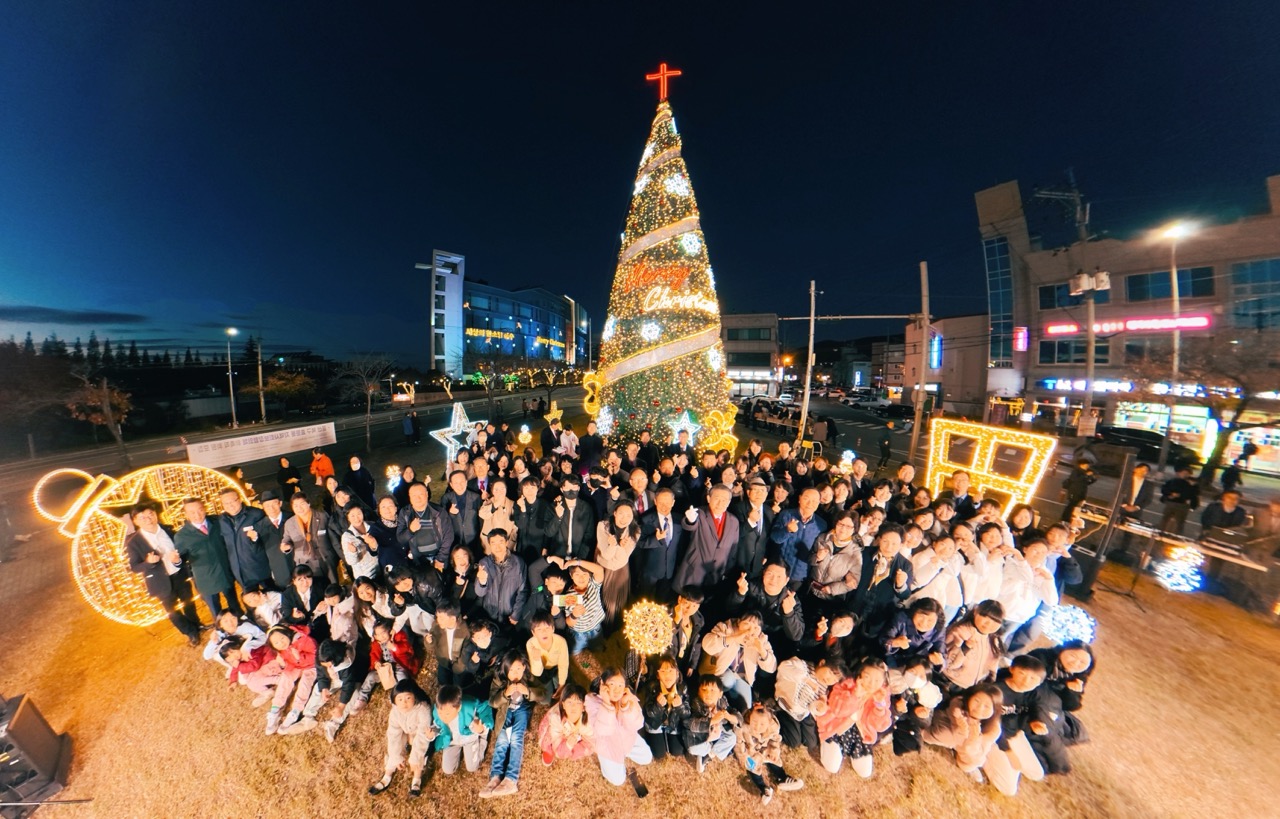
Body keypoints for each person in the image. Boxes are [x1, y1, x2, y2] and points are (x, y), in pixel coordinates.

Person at [126, 501, 203, 644]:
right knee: (172, 611)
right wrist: (148, 562)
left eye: (150, 514)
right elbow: (134, 567)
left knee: (189, 603)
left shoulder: (168, 530)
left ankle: (197, 625)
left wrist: (179, 559)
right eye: (142, 517)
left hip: (179, 574)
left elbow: (182, 550)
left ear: (156, 514)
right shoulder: (133, 542)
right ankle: (190, 632)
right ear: (135, 521)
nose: (148, 519)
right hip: (159, 581)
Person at [815, 659, 893, 778]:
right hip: (836, 727)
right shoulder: (846, 684)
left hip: (860, 732)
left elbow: (880, 725)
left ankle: (852, 751)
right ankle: (832, 746)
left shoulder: (881, 694)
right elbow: (837, 710)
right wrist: (855, 695)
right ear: (860, 673)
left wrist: (879, 706)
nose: (871, 684)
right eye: (867, 677)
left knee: (865, 772)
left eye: (877, 680)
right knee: (832, 766)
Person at [173, 497, 242, 620]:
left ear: (204, 509)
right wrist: (176, 561)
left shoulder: (218, 522)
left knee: (235, 606)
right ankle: (222, 630)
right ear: (186, 514)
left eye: (200, 510)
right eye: (192, 512)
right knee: (217, 613)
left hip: (225, 573)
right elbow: (181, 559)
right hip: (205, 579)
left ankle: (242, 624)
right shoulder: (182, 535)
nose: (197, 515)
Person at [481, 651, 537, 798]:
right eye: (511, 670)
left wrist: (528, 691)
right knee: (502, 741)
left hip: (521, 709)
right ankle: (495, 777)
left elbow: (543, 695)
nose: (515, 673)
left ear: (524, 667)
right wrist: (505, 694)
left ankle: (511, 780)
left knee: (516, 739)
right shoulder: (499, 679)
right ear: (505, 670)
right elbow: (492, 702)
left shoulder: (529, 677)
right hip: (505, 711)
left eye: (518, 668)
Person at [922, 683, 1004, 784]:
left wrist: (973, 739)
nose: (979, 708)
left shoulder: (992, 728)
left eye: (986, 706)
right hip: (948, 724)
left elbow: (976, 752)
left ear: (995, 710)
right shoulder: (958, 705)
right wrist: (960, 724)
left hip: (969, 745)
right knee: (944, 735)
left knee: (972, 760)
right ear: (970, 697)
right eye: (977, 701)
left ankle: (967, 765)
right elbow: (954, 710)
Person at [586, 667, 652, 787]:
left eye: (620, 685)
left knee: (647, 758)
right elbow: (602, 731)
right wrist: (607, 703)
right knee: (618, 780)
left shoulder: (627, 697)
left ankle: (625, 753)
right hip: (608, 747)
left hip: (628, 740)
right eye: (612, 684)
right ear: (602, 684)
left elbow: (638, 724)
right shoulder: (592, 701)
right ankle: (609, 762)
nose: (617, 690)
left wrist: (625, 705)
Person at [700, 611, 777, 710]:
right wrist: (733, 638)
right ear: (738, 622)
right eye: (747, 624)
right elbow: (707, 645)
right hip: (719, 673)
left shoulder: (761, 639)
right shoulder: (726, 628)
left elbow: (772, 667)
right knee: (728, 679)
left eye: (756, 628)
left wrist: (761, 650)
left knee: (746, 708)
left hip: (742, 678)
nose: (750, 630)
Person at [671, 484, 740, 591]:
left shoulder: (734, 521)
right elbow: (689, 525)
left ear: (729, 502)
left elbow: (733, 550)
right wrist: (690, 520)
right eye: (717, 499)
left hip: (716, 575)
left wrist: (726, 572)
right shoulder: (699, 513)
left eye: (724, 500)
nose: (720, 503)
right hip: (694, 571)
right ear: (708, 498)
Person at [735, 703, 804, 804]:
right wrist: (744, 758)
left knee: (774, 760)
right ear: (749, 717)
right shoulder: (743, 728)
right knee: (753, 767)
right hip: (752, 752)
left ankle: (783, 778)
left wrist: (774, 750)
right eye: (754, 721)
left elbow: (775, 739)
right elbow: (739, 745)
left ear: (769, 722)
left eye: (762, 724)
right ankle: (764, 789)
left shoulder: (773, 727)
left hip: (765, 749)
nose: (757, 726)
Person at [774, 656, 844, 750]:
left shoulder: (823, 687)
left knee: (811, 742)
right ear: (822, 663)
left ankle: (798, 728)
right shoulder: (802, 666)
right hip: (787, 706)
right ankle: (777, 715)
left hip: (803, 712)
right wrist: (806, 680)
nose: (829, 680)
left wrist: (820, 706)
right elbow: (783, 667)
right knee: (794, 741)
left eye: (834, 680)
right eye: (830, 673)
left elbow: (814, 707)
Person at [429, 684, 495, 777]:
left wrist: (481, 729)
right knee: (448, 769)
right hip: (452, 741)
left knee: (472, 767)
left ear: (458, 708)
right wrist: (433, 733)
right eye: (440, 713)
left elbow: (485, 708)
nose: (443, 717)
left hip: (469, 738)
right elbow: (438, 725)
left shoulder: (469, 707)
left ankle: (482, 738)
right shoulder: (438, 710)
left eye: (447, 714)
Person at [942, 600, 1006, 692]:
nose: (989, 624)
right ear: (975, 612)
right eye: (985, 617)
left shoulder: (994, 640)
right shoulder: (960, 631)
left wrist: (988, 684)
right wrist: (965, 648)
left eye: (995, 621)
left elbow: (992, 668)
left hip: (974, 688)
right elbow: (947, 664)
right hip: (950, 683)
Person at [216, 489, 272, 592]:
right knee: (251, 600)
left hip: (262, 568)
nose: (230, 505)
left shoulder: (256, 514)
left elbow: (269, 539)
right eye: (226, 503)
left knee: (274, 596)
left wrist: (255, 539)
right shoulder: (221, 521)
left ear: (240, 499)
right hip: (241, 573)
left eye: (232, 501)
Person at [771, 488, 828, 585]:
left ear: (819, 503)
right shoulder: (786, 514)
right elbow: (775, 538)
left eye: (814, 501)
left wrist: (818, 558)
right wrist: (787, 530)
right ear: (799, 499)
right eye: (806, 498)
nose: (810, 503)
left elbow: (814, 552)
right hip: (779, 571)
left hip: (800, 577)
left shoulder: (821, 525)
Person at [596, 501, 639, 625]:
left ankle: (615, 627)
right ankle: (601, 628)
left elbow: (623, 558)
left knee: (617, 603)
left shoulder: (635, 531)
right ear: (614, 513)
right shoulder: (603, 526)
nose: (624, 519)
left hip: (620, 569)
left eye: (628, 515)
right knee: (601, 600)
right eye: (621, 514)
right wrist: (613, 546)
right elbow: (606, 555)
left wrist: (619, 547)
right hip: (603, 567)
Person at [640, 655, 691, 760]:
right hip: (655, 723)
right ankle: (649, 734)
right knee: (659, 754)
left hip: (673, 724)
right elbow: (648, 712)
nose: (667, 675)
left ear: (677, 673)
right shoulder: (652, 687)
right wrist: (658, 706)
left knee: (677, 751)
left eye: (671, 671)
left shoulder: (682, 688)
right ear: (658, 675)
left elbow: (687, 714)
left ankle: (668, 736)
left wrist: (680, 706)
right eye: (663, 671)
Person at [474, 529, 528, 629]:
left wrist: (516, 613)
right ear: (489, 544)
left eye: (501, 542)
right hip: (489, 615)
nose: (497, 547)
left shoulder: (518, 563)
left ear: (506, 542)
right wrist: (482, 581)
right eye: (493, 543)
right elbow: (479, 593)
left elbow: (523, 591)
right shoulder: (484, 563)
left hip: (509, 615)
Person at [397, 482, 454, 570]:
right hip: (419, 560)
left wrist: (441, 559)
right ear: (410, 497)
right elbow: (400, 539)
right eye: (414, 495)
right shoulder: (405, 513)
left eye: (421, 494)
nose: (418, 498)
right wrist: (410, 530)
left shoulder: (439, 512)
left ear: (427, 494)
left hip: (439, 557)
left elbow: (448, 536)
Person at [537, 683, 595, 765]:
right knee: (549, 740)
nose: (573, 707)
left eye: (578, 703)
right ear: (563, 704)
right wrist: (567, 746)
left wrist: (575, 748)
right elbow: (556, 744)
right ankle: (548, 750)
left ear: (584, 707)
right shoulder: (556, 718)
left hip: (574, 734)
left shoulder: (589, 723)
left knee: (581, 749)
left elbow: (591, 743)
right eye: (569, 702)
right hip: (557, 730)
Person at [526, 611, 569, 700]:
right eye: (539, 629)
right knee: (545, 699)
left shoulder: (561, 641)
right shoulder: (531, 644)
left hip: (556, 667)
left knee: (564, 690)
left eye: (547, 628)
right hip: (542, 670)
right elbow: (537, 672)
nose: (544, 632)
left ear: (553, 629)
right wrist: (537, 659)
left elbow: (563, 664)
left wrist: (561, 684)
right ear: (533, 633)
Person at [1159, 464, 1201, 536]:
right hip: (1171, 502)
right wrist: (1171, 494)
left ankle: (1176, 535)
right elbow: (1164, 489)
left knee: (1179, 522)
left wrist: (1180, 495)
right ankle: (1161, 532)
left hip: (1182, 505)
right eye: (1183, 473)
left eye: (1187, 474)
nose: (1185, 475)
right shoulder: (1172, 481)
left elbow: (1193, 494)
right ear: (1179, 473)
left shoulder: (1191, 484)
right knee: (1165, 519)